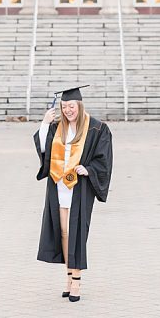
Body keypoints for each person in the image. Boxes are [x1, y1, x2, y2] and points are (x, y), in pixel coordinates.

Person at [33, 85, 112, 302]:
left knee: (77, 233)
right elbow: (43, 150)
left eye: (72, 106)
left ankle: (77, 282)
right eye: (64, 106)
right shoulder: (56, 128)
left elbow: (103, 158)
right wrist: (45, 123)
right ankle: (68, 278)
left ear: (79, 105)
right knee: (64, 233)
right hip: (59, 185)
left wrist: (89, 169)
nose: (68, 110)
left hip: (79, 186)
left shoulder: (96, 128)